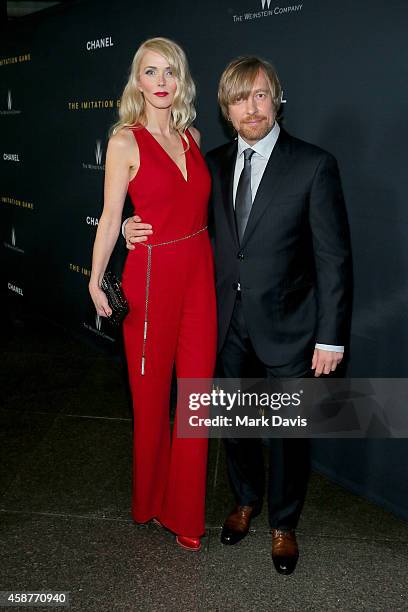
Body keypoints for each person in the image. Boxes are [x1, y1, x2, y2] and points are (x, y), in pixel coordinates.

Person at [123, 55, 352, 573]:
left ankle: (284, 524)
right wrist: (128, 229)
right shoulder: (212, 161)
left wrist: (331, 337)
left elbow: (334, 258)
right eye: (238, 98)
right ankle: (244, 501)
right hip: (222, 320)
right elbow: (177, 217)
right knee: (238, 423)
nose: (251, 108)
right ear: (225, 109)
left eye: (260, 95)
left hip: (292, 326)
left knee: (291, 432)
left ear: (278, 100)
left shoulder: (313, 164)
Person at [89, 37, 217, 552]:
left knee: (196, 397)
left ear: (180, 80)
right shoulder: (125, 141)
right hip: (150, 277)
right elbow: (112, 216)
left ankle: (185, 511)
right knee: (149, 397)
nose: (161, 81)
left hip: (199, 273)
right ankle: (149, 500)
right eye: (150, 71)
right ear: (137, 81)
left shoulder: (192, 136)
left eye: (169, 72)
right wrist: (96, 276)